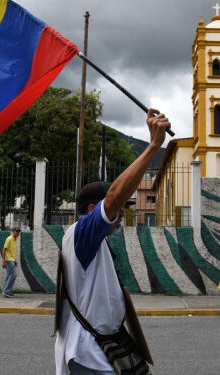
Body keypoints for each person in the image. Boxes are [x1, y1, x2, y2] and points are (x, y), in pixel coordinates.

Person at [55, 108, 170, 375]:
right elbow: (114, 199)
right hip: (88, 355)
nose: (122, 215)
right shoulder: (81, 233)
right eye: (118, 210)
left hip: (104, 348)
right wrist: (154, 145)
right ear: (94, 209)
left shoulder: (95, 241)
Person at [2, 228, 21, 298]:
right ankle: (6, 291)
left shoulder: (15, 240)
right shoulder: (9, 239)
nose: (18, 234)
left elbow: (12, 251)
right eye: (17, 232)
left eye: (19, 232)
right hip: (8, 259)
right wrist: (3, 261)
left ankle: (7, 291)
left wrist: (15, 260)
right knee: (13, 274)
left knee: (9, 275)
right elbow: (4, 250)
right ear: (13, 232)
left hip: (12, 260)